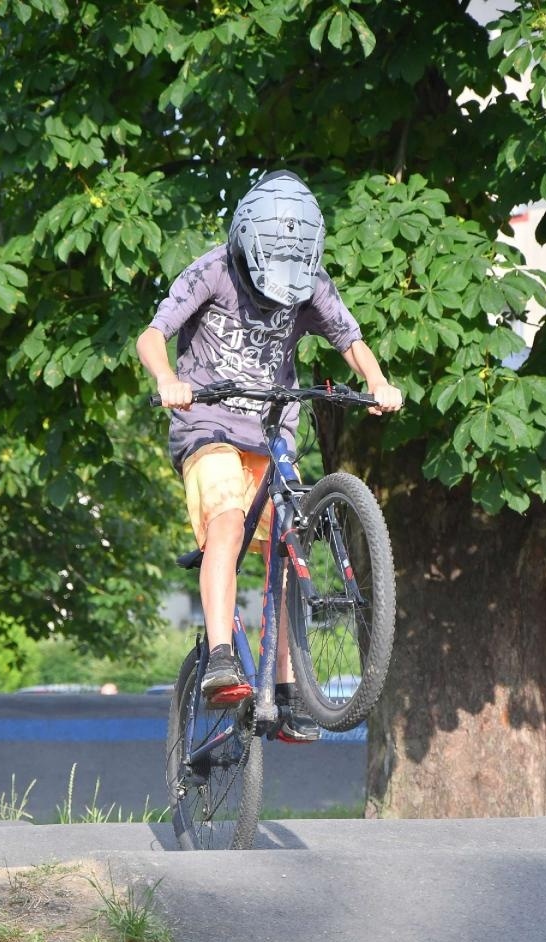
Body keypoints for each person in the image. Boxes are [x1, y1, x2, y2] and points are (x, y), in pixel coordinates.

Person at [136, 169, 401, 741]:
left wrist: (377, 382)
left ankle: (282, 691)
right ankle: (223, 655)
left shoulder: (310, 281)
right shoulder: (214, 270)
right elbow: (152, 335)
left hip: (272, 427)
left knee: (285, 546)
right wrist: (166, 378)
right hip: (205, 421)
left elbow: (348, 339)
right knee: (229, 522)